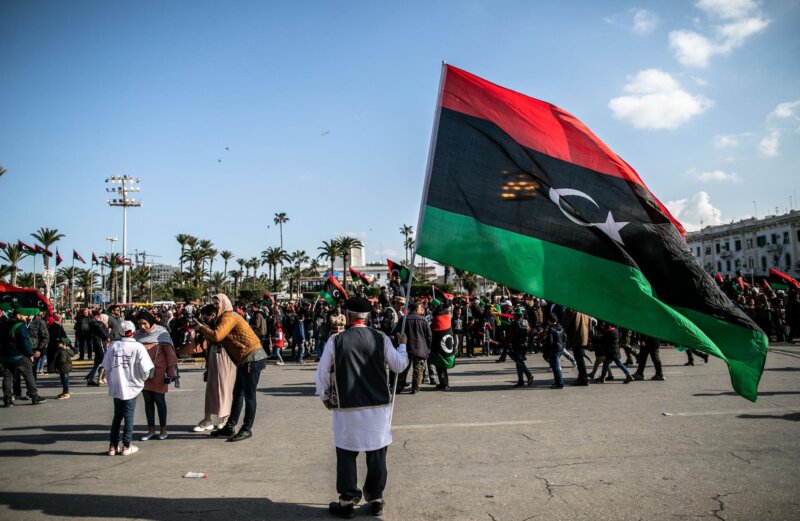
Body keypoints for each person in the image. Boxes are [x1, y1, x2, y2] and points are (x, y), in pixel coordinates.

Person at [315, 296, 409, 519]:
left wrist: (325, 396)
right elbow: (399, 365)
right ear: (367, 317)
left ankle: (347, 500)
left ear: (347, 316)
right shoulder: (381, 338)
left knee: (346, 453)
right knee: (376, 452)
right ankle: (375, 498)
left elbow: (321, 373)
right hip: (377, 407)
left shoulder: (335, 341)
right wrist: (403, 345)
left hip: (347, 406)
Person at [194, 293, 267, 442]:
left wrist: (202, 328)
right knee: (238, 394)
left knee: (249, 396)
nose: (215, 306)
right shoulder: (222, 319)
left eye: (217, 303)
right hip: (244, 359)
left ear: (224, 304)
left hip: (251, 357)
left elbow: (217, 337)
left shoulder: (228, 316)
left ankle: (247, 429)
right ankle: (229, 427)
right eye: (213, 303)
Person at [102, 320, 154, 456]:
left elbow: (106, 367)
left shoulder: (114, 346)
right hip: (131, 385)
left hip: (117, 385)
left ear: (119, 332)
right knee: (129, 416)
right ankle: (126, 445)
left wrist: (110, 381)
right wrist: (143, 378)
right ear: (133, 332)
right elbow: (146, 369)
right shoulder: (138, 347)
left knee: (117, 416)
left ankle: (112, 446)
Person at [135, 311, 178, 441]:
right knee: (148, 402)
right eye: (139, 324)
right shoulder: (137, 336)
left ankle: (163, 429)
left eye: (144, 323)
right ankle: (151, 430)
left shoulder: (161, 333)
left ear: (150, 322)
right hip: (144, 374)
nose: (142, 327)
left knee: (159, 401)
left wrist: (171, 373)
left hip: (159, 373)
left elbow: (170, 355)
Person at [193, 304, 237, 432]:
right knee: (211, 389)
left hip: (225, 357)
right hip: (214, 357)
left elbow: (219, 337)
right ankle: (207, 420)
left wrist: (203, 329)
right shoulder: (212, 324)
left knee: (224, 389)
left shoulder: (226, 321)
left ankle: (224, 419)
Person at [1, 307, 46, 406]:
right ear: (18, 315)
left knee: (7, 376)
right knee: (28, 374)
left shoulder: (4, 324)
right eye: (24, 315)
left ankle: (7, 399)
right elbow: (24, 341)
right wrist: (30, 354)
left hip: (5, 355)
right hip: (18, 355)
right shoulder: (20, 326)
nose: (26, 317)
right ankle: (34, 396)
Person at [397, 303, 431, 394]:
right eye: (421, 308)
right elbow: (429, 336)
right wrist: (427, 348)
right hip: (420, 348)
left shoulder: (403, 320)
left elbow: (396, 333)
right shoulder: (423, 320)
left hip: (406, 347)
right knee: (418, 369)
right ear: (417, 309)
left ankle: (399, 387)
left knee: (403, 368)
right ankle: (416, 387)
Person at [507, 308, 533, 387]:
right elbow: (529, 331)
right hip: (525, 344)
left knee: (519, 362)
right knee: (519, 362)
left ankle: (528, 375)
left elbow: (510, 335)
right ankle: (521, 380)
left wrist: (507, 344)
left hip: (517, 345)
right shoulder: (526, 322)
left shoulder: (514, 323)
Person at [86, 312, 110, 386]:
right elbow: (105, 335)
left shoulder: (96, 324)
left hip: (97, 344)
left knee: (98, 362)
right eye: (106, 320)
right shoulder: (100, 325)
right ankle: (91, 377)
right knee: (104, 360)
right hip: (100, 344)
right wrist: (107, 330)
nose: (107, 321)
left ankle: (90, 378)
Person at [545, 313, 567, 389]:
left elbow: (550, 341)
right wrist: (563, 346)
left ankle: (560, 383)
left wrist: (548, 350)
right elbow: (565, 337)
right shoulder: (560, 327)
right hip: (560, 348)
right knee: (556, 366)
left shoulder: (551, 329)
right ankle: (557, 381)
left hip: (554, 349)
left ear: (549, 320)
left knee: (556, 367)